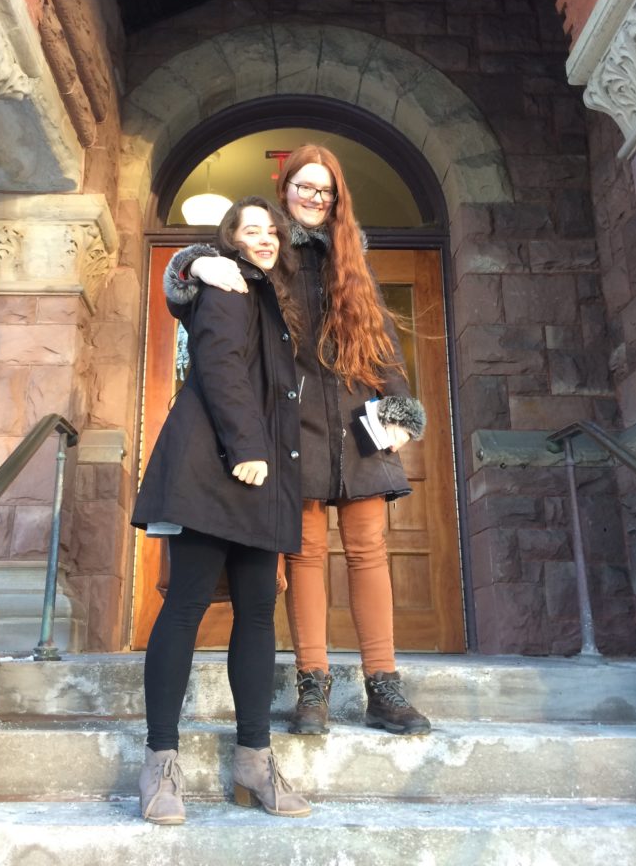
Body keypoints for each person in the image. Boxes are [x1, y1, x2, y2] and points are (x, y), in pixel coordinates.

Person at [164, 144, 430, 739]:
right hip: (291, 420)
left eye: (325, 190)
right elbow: (207, 264)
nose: (314, 197)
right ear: (284, 190)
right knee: (304, 550)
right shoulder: (266, 251)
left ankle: (383, 686)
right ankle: (313, 684)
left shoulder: (351, 262)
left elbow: (383, 343)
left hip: (358, 419)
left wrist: (400, 409)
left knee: (367, 548)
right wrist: (191, 266)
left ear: (336, 199)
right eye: (303, 187)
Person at [131, 196, 311, 826]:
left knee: (259, 610)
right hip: (219, 465)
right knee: (184, 604)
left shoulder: (273, 295)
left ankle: (254, 760)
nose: (263, 238)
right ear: (230, 240)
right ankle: (159, 760)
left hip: (258, 468)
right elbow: (219, 366)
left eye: (271, 230)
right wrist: (248, 447)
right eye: (249, 229)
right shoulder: (226, 280)